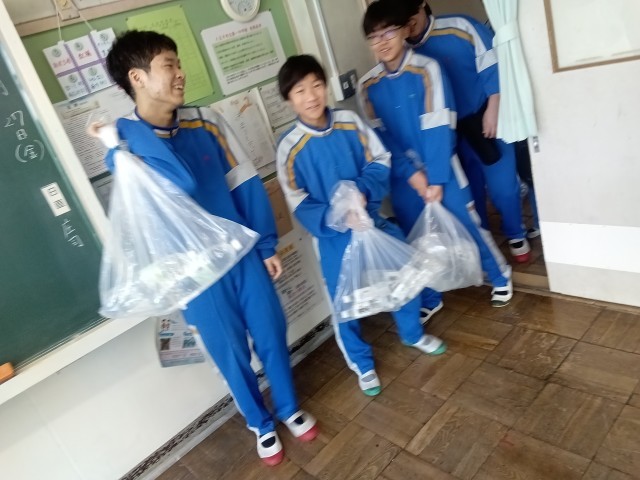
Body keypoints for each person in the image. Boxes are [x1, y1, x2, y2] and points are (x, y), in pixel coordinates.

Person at [90, 30, 317, 467]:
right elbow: (182, 182)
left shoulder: (206, 121)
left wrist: (266, 243)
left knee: (271, 332)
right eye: (169, 65)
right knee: (229, 353)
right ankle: (260, 424)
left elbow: (245, 182)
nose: (180, 73)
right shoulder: (126, 147)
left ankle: (288, 408)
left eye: (179, 63)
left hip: (241, 254)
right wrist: (122, 138)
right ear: (137, 77)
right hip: (193, 273)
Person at [276, 54, 446, 397]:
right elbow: (298, 200)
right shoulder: (289, 147)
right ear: (288, 99)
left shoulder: (349, 121)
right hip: (334, 238)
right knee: (345, 303)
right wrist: (337, 216)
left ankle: (412, 333)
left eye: (316, 85)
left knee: (404, 276)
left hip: (374, 221)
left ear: (325, 86)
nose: (311, 96)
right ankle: (362, 363)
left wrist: (364, 191)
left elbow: (381, 158)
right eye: (300, 91)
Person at [357, 1, 513, 309]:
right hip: (404, 178)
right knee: (415, 236)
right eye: (374, 37)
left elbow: (439, 126)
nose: (382, 42)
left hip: (442, 169)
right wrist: (412, 175)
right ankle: (431, 296)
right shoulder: (367, 87)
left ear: (404, 31)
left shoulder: (428, 69)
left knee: (469, 226)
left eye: (388, 32)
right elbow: (381, 139)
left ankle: (499, 276)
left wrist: (436, 178)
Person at [400, 0, 531, 263]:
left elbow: (493, 64)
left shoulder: (460, 26)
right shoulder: (404, 55)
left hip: (484, 118)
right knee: (470, 193)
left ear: (423, 4)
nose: (408, 21)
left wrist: (493, 106)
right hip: (448, 135)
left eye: (410, 11)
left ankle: (515, 232)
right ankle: (484, 242)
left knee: (503, 186)